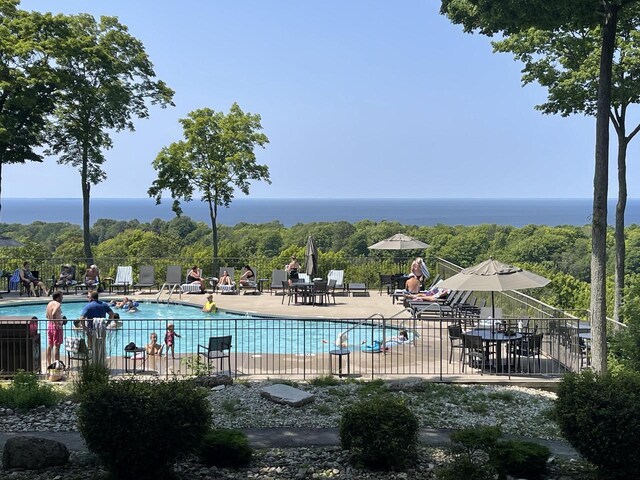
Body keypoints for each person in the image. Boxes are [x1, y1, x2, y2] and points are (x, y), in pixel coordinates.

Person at [46, 291, 64, 366]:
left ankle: (49, 363)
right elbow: (53, 313)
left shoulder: (49, 304)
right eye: (61, 297)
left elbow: (46, 316)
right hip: (56, 327)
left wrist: (53, 321)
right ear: (58, 297)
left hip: (50, 325)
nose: (62, 298)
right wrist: (56, 323)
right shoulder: (58, 304)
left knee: (50, 345)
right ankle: (57, 365)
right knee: (57, 346)